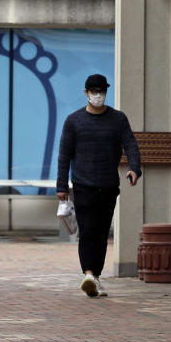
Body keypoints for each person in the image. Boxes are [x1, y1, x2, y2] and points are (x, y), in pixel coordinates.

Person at [56, 73, 141, 298]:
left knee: (102, 233)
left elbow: (130, 144)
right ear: (86, 93)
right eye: (94, 91)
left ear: (106, 92)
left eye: (101, 91)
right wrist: (61, 187)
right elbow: (64, 155)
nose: (98, 95)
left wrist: (135, 168)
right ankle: (89, 273)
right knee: (88, 231)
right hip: (83, 185)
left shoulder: (118, 119)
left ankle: (95, 277)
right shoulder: (74, 121)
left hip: (108, 186)